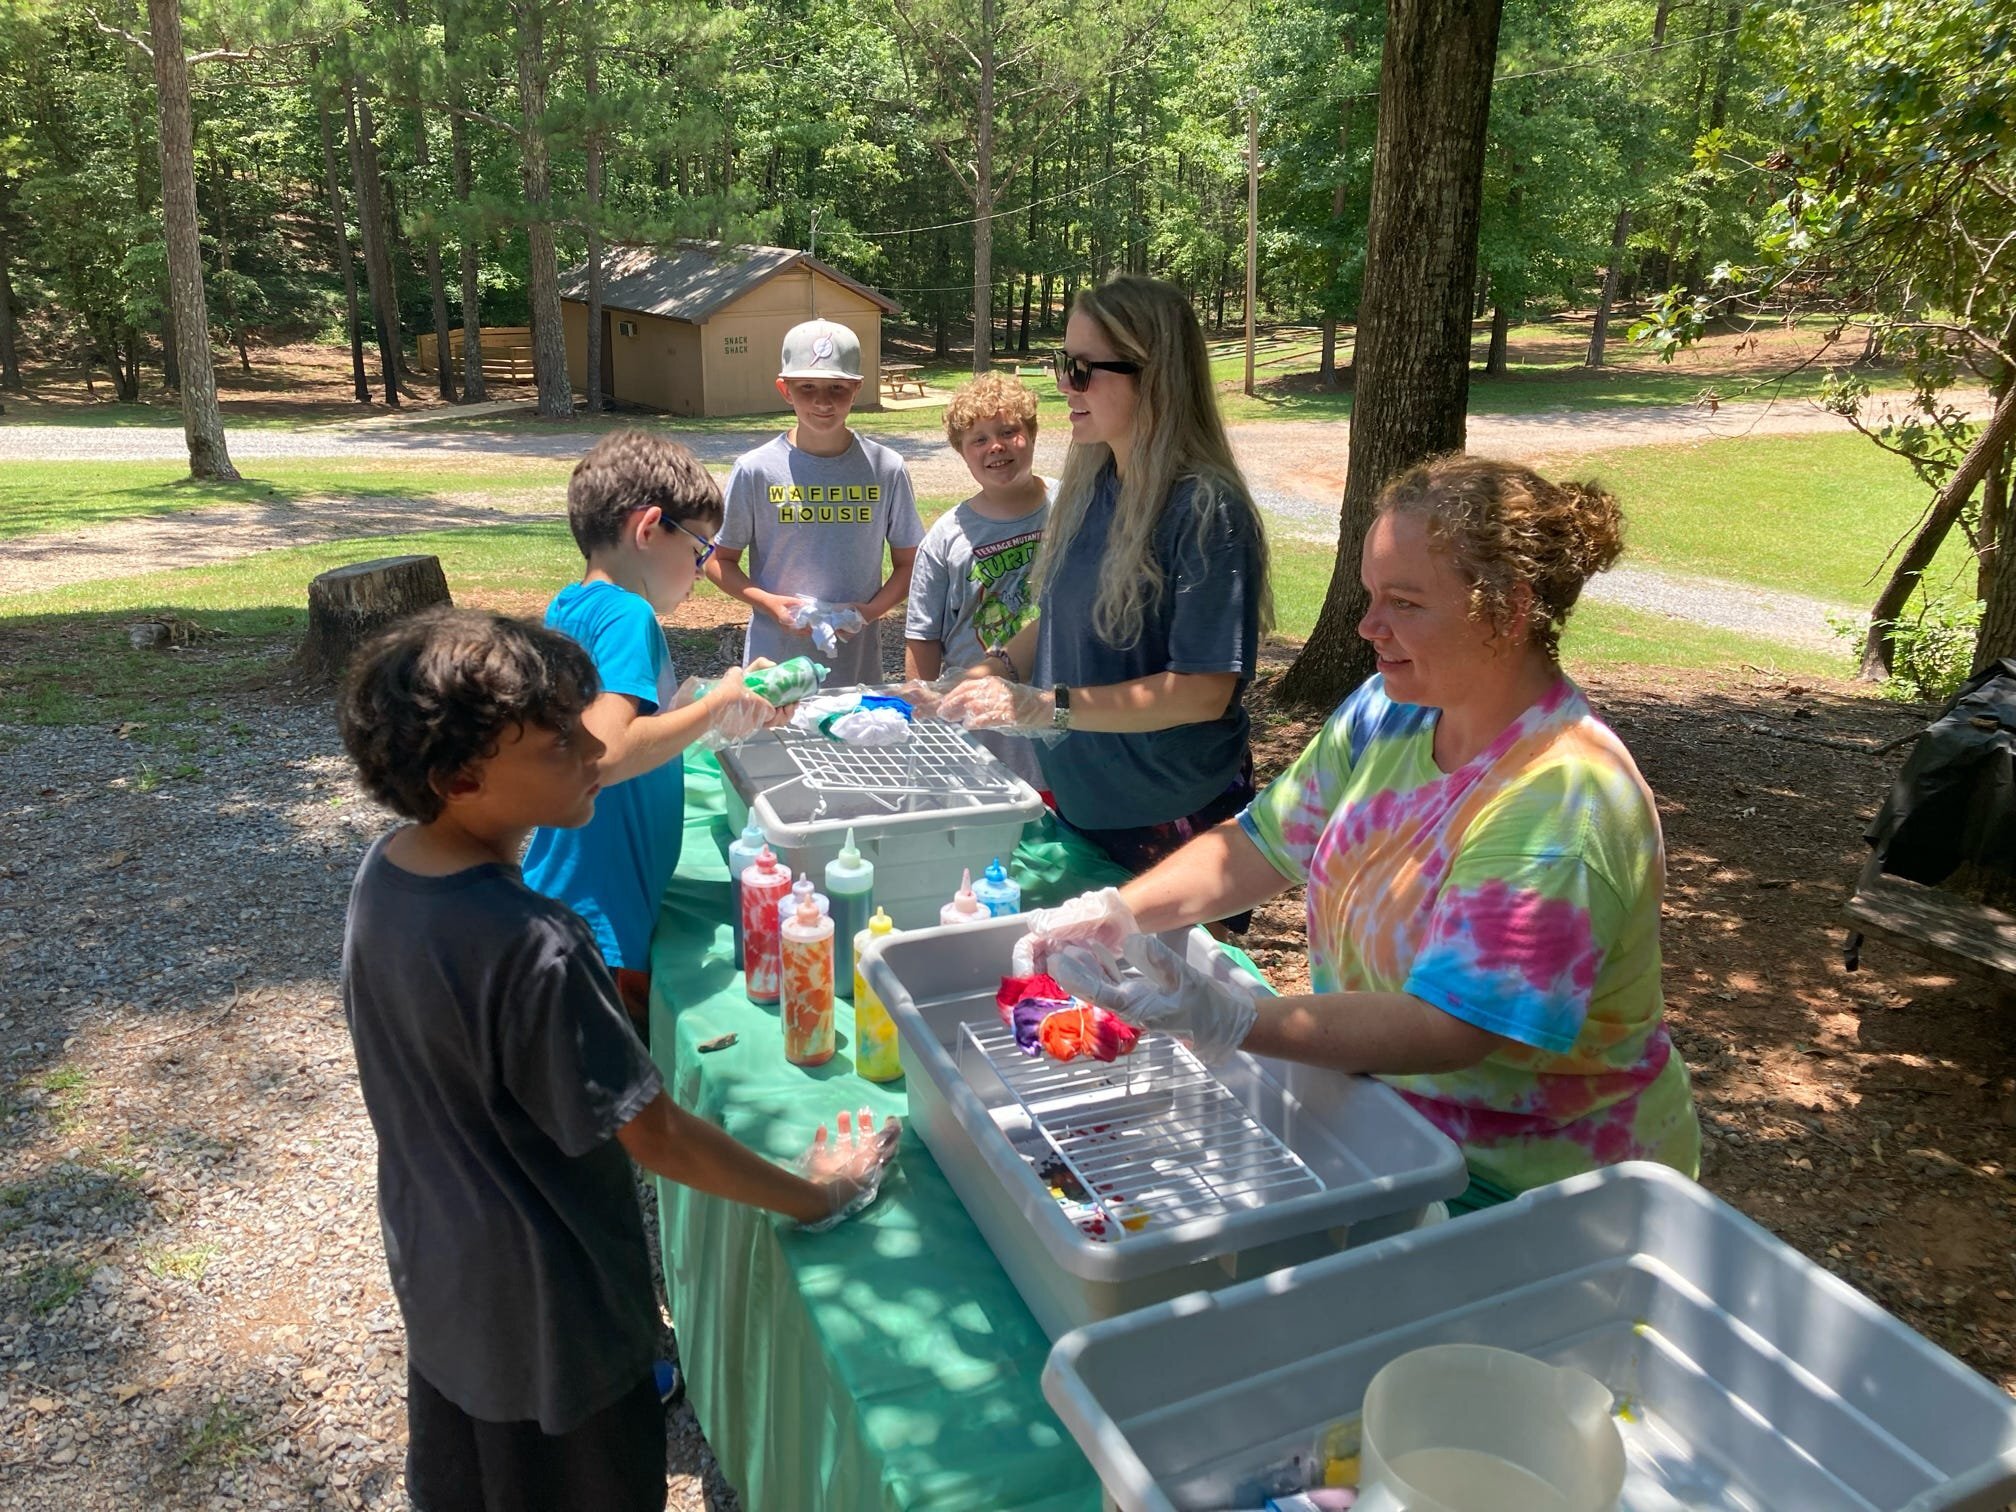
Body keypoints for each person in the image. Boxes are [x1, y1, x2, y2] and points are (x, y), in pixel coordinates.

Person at [338, 607, 898, 1512]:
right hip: (558, 1315)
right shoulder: (539, 946)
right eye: (556, 743)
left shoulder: (385, 873)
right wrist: (817, 1191)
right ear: (460, 778)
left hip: (441, 1281)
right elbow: (661, 1137)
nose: (588, 748)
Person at [1029, 456, 1701, 1207]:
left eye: (1405, 603)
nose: (1367, 626)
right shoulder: (1394, 707)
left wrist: (1229, 1016)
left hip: (1538, 1190)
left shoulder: (1562, 799)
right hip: (1397, 1128)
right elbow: (1259, 844)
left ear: (1507, 612)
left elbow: (1449, 1027)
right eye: (1372, 595)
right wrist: (1118, 911)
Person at [933, 277, 1271, 908]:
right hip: (1083, 799)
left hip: (1171, 816)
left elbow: (1203, 691)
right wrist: (985, 671)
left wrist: (1047, 707)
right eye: (1063, 363)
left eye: (1084, 369)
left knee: (1163, 993)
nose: (1064, 384)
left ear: (1155, 375)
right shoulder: (1092, 483)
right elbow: (1060, 617)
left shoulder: (1206, 509)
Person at [521, 431, 778, 1035]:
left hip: (573, 903)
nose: (700, 567)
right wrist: (715, 706)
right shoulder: (628, 615)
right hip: (598, 927)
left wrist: (712, 699)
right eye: (697, 548)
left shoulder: (573, 605)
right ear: (648, 528)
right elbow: (604, 755)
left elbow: (624, 721)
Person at [707, 318, 927, 688]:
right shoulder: (756, 469)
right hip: (773, 667)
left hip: (856, 670)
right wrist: (769, 604)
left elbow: (909, 562)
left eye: (837, 388)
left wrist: (869, 613)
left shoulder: (886, 468)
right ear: (784, 389)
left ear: (856, 388)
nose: (823, 401)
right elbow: (717, 560)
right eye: (807, 387)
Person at [905, 372, 1053, 784]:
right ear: (962, 452)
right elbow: (922, 637)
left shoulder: (1073, 505)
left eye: (1009, 431)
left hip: (1057, 705)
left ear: (1033, 433)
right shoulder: (945, 536)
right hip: (977, 717)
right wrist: (927, 718)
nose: (996, 447)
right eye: (979, 439)